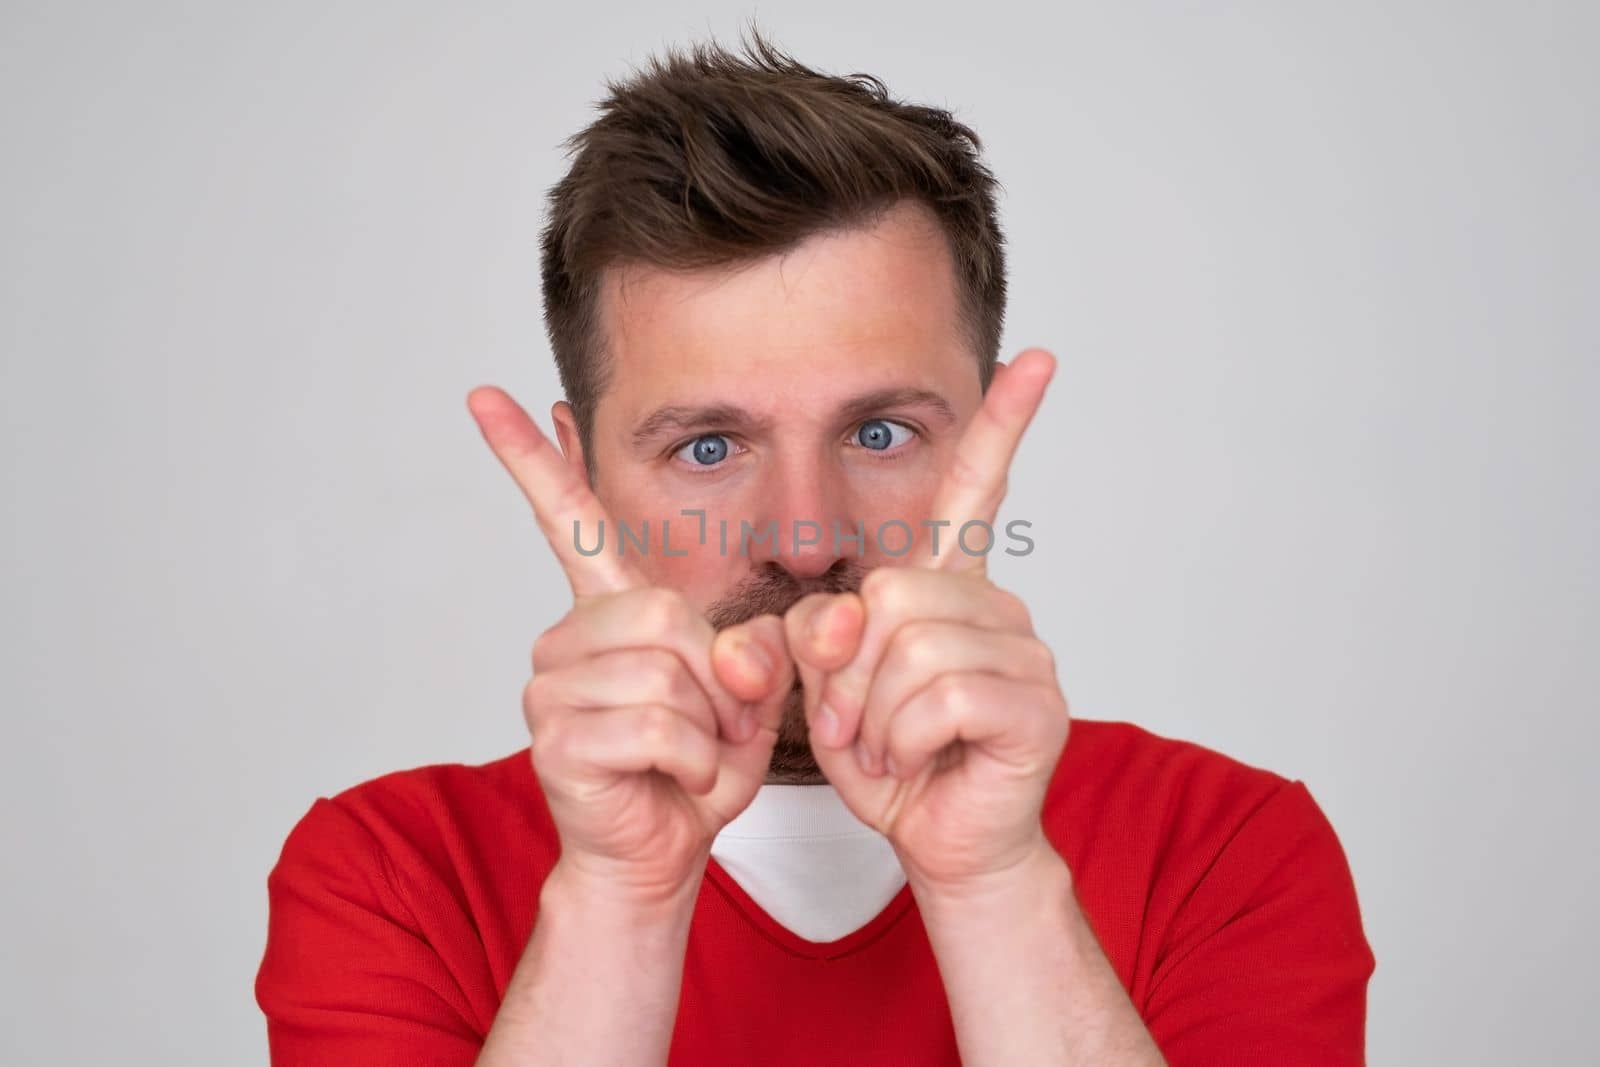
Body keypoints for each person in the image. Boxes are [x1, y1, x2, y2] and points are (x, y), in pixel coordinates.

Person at [255, 27, 1374, 1065]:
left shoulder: (1225, 847)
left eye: (879, 432)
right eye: (705, 446)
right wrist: (619, 894)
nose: (803, 536)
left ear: (983, 436)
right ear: (582, 473)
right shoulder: (393, 872)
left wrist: (994, 883)